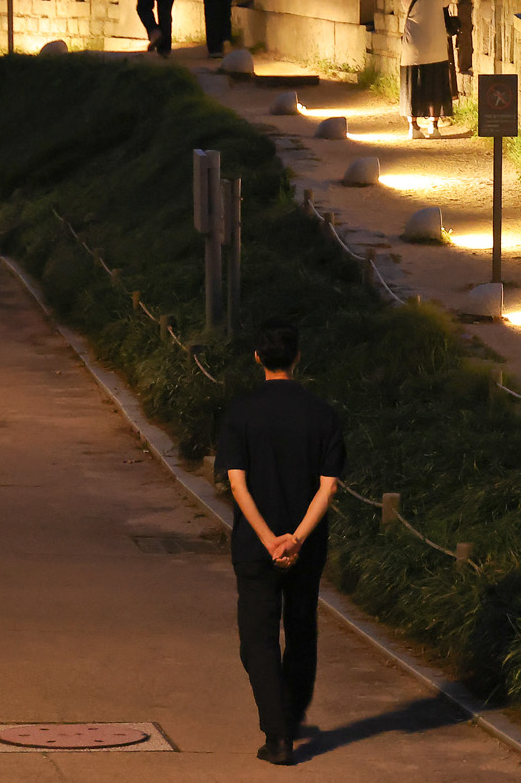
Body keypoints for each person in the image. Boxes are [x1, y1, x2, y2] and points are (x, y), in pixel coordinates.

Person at [216, 325, 346, 766]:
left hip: (256, 547)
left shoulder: (241, 412)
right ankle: (289, 717)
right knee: (302, 629)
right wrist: (297, 538)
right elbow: (328, 488)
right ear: (298, 357)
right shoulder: (322, 414)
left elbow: (237, 484)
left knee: (257, 638)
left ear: (257, 357)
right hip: (307, 547)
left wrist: (269, 538)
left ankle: (277, 735)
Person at [398, 0, 457, 138]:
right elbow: (445, 3)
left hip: (412, 40)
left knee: (413, 83)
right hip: (435, 41)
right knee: (435, 83)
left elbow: (405, 7)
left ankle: (413, 126)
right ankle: (434, 125)